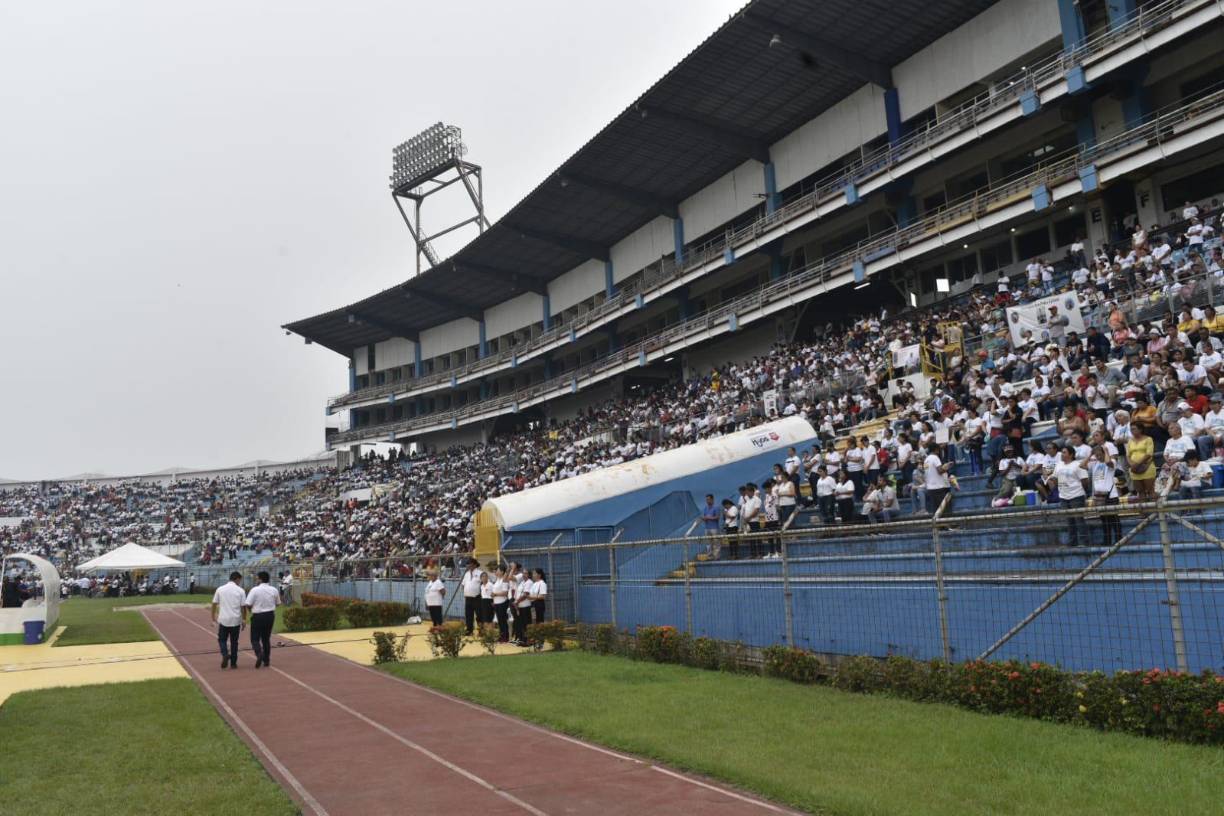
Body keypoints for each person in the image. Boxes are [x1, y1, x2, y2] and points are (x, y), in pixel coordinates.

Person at [1048, 448, 1090, 547]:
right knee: (1069, 520)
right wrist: (1054, 480)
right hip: (1063, 496)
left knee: (1079, 520)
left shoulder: (1077, 464)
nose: (1062, 454)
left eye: (1064, 452)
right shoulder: (1059, 465)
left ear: (1071, 455)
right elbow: (1055, 477)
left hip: (1076, 495)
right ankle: (1072, 541)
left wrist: (1084, 492)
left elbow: (1085, 480)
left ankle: (1084, 542)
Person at [244, 571, 280, 669]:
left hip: (258, 615)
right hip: (270, 616)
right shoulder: (274, 590)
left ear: (260, 579)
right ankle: (266, 660)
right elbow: (278, 603)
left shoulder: (255, 590)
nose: (256, 580)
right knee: (266, 639)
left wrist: (251, 610)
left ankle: (259, 654)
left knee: (255, 638)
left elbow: (248, 604)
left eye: (257, 578)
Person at [211, 571, 246, 670]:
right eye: (240, 580)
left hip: (223, 619)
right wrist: (244, 620)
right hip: (235, 620)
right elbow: (243, 607)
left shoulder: (220, 589)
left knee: (222, 640)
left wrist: (213, 618)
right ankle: (234, 663)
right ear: (237, 579)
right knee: (234, 642)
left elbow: (214, 604)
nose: (240, 582)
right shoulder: (241, 591)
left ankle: (225, 654)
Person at [1127, 423, 1156, 501]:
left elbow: (1149, 454)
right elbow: (1128, 455)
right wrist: (1132, 465)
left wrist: (1137, 464)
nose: (1132, 431)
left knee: (1150, 490)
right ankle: (1144, 512)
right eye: (1131, 429)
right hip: (1134, 469)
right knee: (1140, 492)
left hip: (1147, 467)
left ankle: (1155, 512)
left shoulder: (1148, 439)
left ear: (1140, 429)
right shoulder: (1130, 440)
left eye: (1134, 429)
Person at [461, 558, 484, 635]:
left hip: (477, 597)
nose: (468, 565)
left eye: (469, 563)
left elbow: (483, 584)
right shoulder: (466, 574)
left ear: (474, 564)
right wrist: (465, 591)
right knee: (468, 615)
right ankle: (469, 630)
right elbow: (463, 584)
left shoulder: (480, 573)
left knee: (479, 615)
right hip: (468, 598)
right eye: (467, 564)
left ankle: (481, 630)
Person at [512, 567, 534, 644]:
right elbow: (517, 594)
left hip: (525, 606)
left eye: (526, 573)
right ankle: (523, 640)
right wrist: (516, 603)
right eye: (523, 573)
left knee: (527, 624)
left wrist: (517, 602)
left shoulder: (529, 582)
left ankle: (528, 640)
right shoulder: (521, 582)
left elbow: (525, 594)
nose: (524, 575)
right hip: (520, 606)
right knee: (521, 624)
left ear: (529, 575)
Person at [490, 565, 511, 642]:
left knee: (503, 620)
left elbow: (505, 593)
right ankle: (501, 636)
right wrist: (493, 596)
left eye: (498, 570)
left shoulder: (504, 580)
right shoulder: (497, 580)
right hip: (496, 602)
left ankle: (505, 637)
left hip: (503, 602)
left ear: (502, 572)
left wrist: (495, 594)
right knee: (499, 621)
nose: (496, 572)